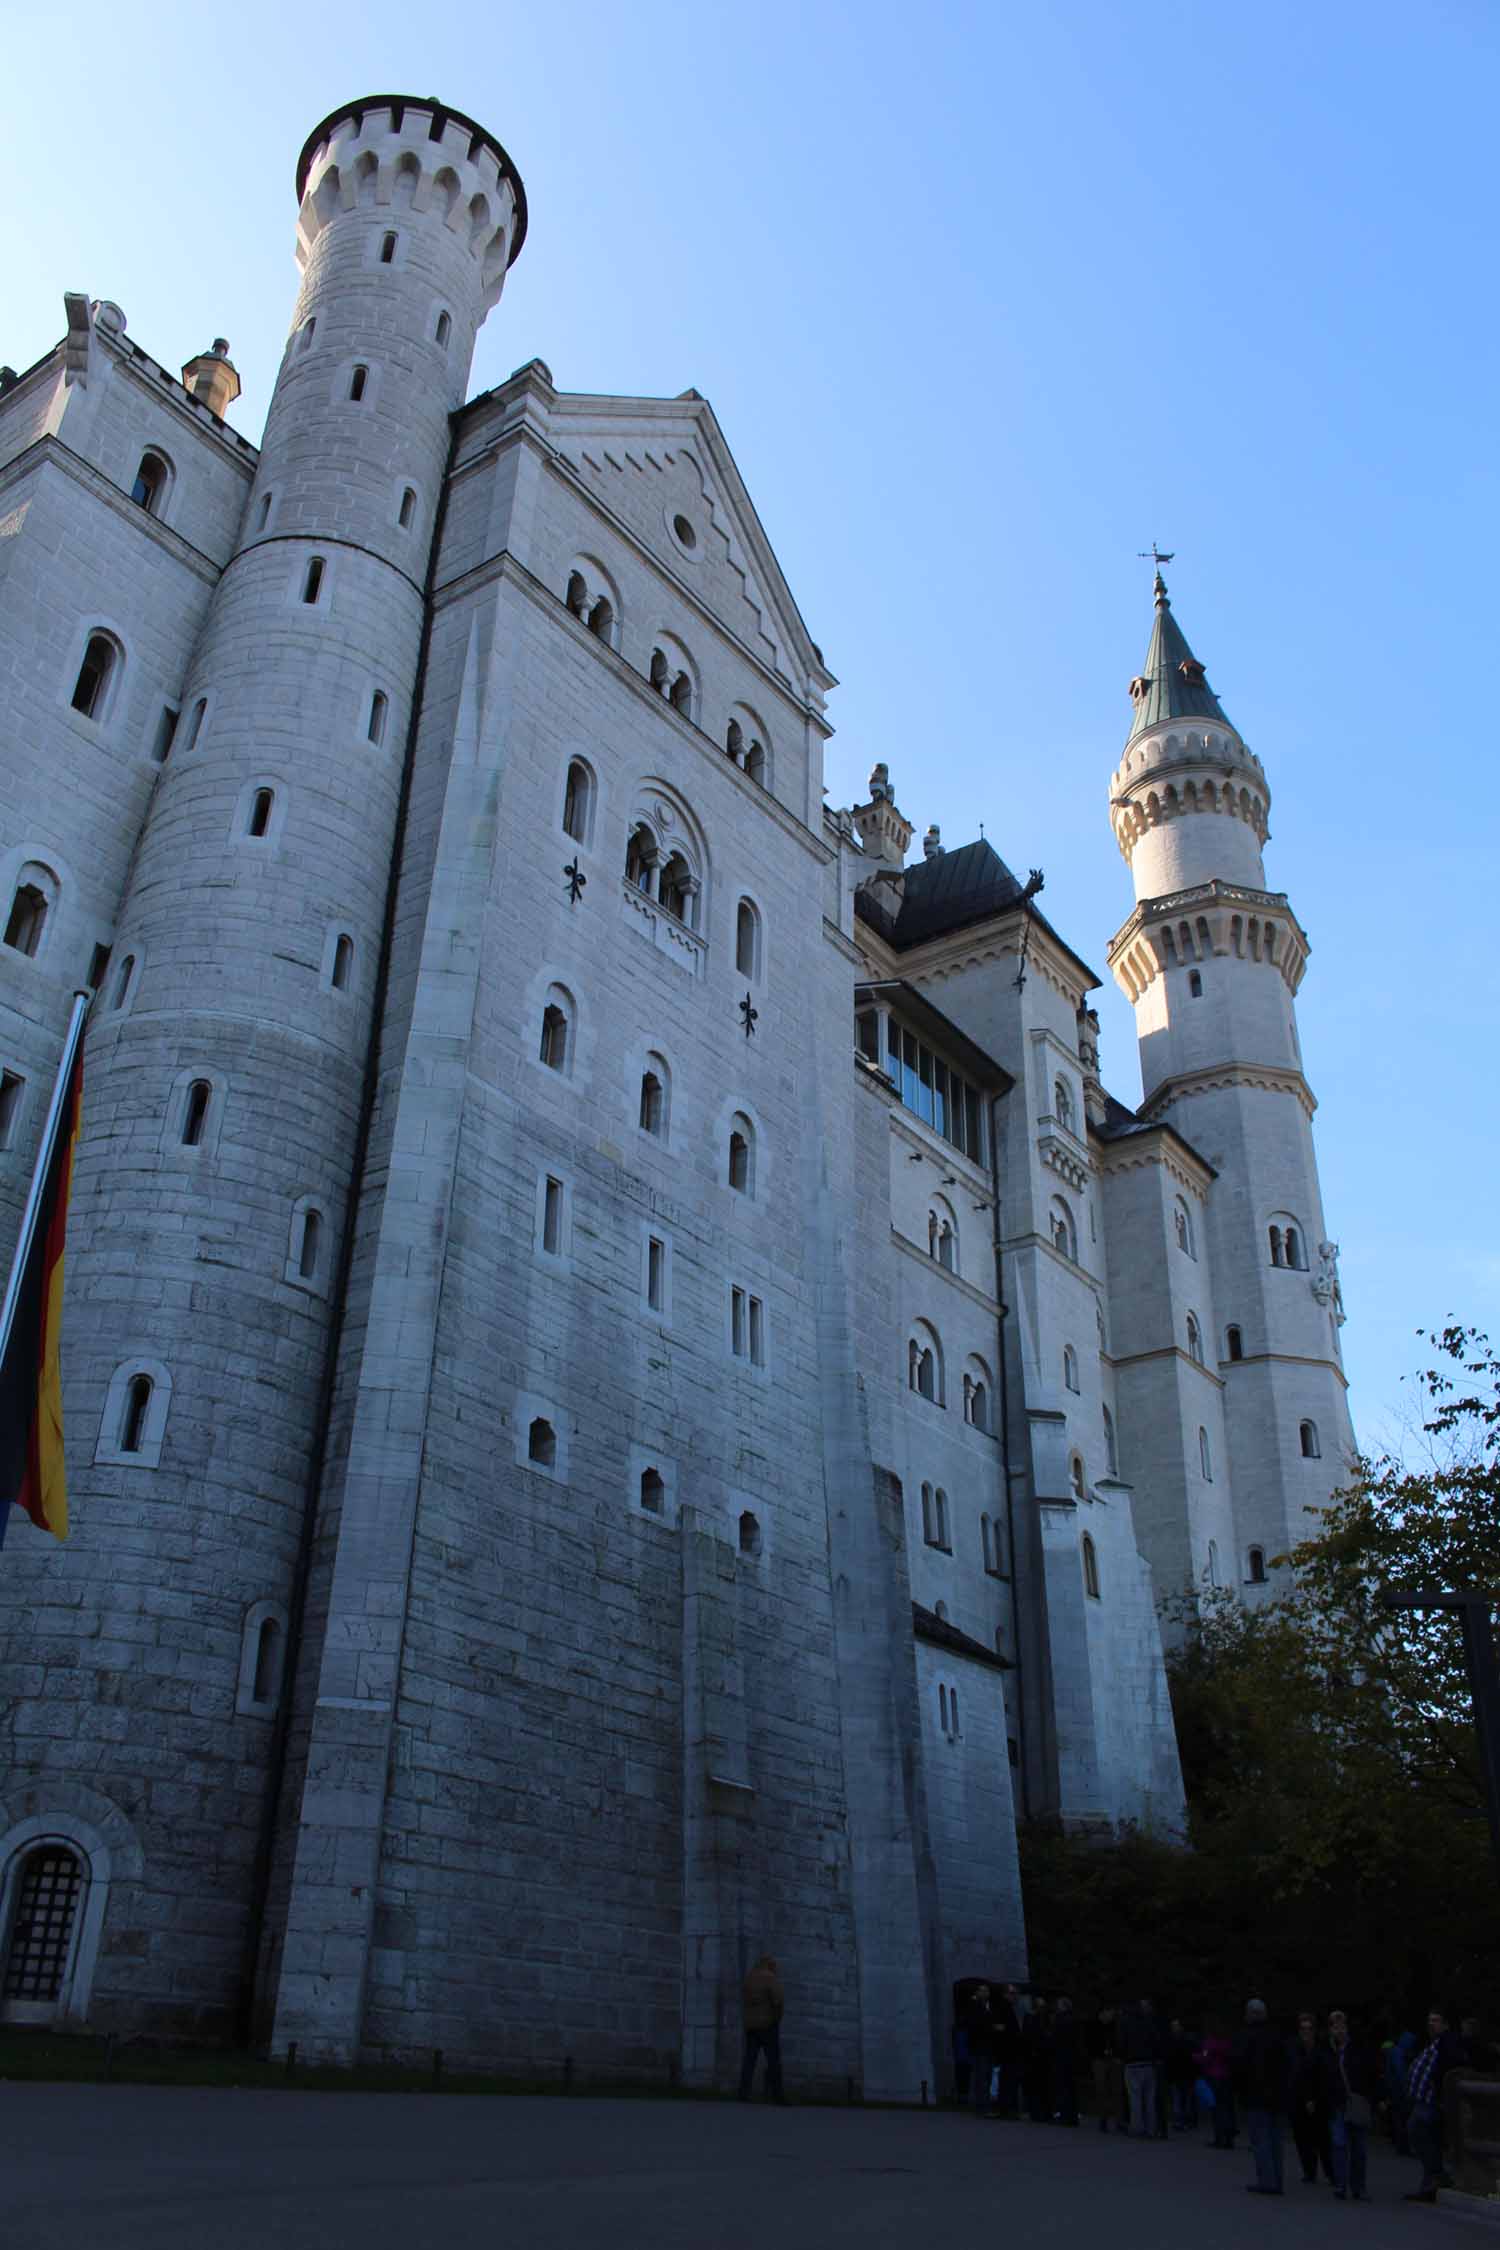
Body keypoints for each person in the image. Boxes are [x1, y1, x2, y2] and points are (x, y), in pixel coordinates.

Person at [1404, 2007, 1464, 2203]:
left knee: (1417, 2132)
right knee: (1428, 2140)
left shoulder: (1448, 2042)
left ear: (1445, 2024)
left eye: (1436, 2020)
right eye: (1430, 2020)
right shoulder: (1434, 2042)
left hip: (1432, 2102)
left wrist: (1441, 2095)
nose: (1431, 2023)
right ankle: (1429, 2187)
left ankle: (1438, 2176)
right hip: (1424, 2100)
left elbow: (1451, 2066)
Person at [1322, 2009, 1378, 2202]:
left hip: (1356, 2102)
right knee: (1338, 2145)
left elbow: (1370, 2072)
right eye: (1334, 2026)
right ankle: (1340, 2184)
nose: (1338, 2030)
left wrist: (1368, 2096)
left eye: (1341, 2025)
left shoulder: (1359, 2048)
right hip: (1337, 2104)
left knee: (1358, 2147)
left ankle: (1359, 2187)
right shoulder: (1327, 2051)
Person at [1234, 1997, 1289, 2195]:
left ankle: (1267, 2181)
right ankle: (1277, 2180)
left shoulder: (1245, 2036)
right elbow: (1286, 2066)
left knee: (1260, 2139)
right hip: (1277, 2096)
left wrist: (1240, 2091)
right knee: (1275, 2140)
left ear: (1249, 2014)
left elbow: (1239, 2066)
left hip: (1256, 2095)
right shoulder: (1277, 2035)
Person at [1287, 2010, 1333, 2184]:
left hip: (1318, 2099)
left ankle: (1330, 2172)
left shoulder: (1322, 2048)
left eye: (1309, 2028)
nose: (1305, 2032)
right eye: (1302, 2028)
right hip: (1298, 2099)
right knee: (1302, 2137)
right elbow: (1292, 2073)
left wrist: (1315, 2097)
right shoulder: (1293, 2047)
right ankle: (1309, 2171)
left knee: (1323, 2138)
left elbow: (1325, 2075)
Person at [739, 1954, 786, 2104]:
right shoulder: (770, 1978)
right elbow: (778, 2000)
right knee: (774, 2062)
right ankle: (777, 2096)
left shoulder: (749, 1978)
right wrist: (777, 2018)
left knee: (749, 2061)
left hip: (751, 2025)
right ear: (770, 1965)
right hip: (767, 2025)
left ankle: (743, 2094)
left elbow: (745, 2000)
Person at [1120, 1997, 1161, 2139]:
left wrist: (1124, 2057)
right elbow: (1156, 2041)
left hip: (1132, 2064)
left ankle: (1137, 2128)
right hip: (1148, 2064)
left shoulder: (1126, 2024)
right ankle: (1151, 2128)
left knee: (1135, 2098)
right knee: (1149, 2098)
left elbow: (1122, 2043)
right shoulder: (1149, 2023)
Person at [1195, 2020, 1237, 2150]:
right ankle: (1229, 2138)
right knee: (1227, 2108)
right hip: (1226, 2076)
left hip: (1214, 2077)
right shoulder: (1227, 2041)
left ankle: (1220, 2138)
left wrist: (1195, 2057)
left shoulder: (1210, 2042)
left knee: (1216, 2109)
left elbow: (1205, 2058)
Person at [1088, 2005, 1125, 2133]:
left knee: (1117, 2091)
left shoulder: (1115, 2026)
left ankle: (1119, 2121)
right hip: (1099, 2060)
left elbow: (1121, 2042)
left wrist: (1118, 2055)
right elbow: (1089, 2044)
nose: (1112, 2016)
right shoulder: (1093, 2027)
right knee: (1102, 2090)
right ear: (1103, 2013)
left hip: (1114, 2060)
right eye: (1110, 2013)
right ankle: (1103, 2120)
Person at [962, 1982, 996, 2117]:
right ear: (977, 1993)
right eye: (982, 1991)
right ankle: (982, 2107)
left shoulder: (987, 2007)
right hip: (979, 2047)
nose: (986, 1993)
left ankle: (982, 2106)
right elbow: (975, 2025)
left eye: (987, 1991)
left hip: (986, 2046)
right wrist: (990, 2027)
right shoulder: (974, 2007)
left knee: (986, 2077)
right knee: (981, 2077)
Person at [991, 1983, 1023, 2118]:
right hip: (1007, 2050)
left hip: (1009, 2049)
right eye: (1012, 1993)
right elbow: (998, 2027)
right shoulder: (1003, 2007)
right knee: (1008, 2080)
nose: (1015, 1996)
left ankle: (1008, 2109)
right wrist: (1012, 2034)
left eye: (1015, 1993)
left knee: (1009, 2080)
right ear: (1005, 1994)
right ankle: (1007, 2109)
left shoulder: (1008, 2007)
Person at [1050, 1995, 1081, 2126]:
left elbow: (1055, 2038)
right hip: (1071, 2057)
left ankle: (1065, 2115)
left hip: (1061, 2056)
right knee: (1071, 2087)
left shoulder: (1059, 2020)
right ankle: (1072, 2116)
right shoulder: (1073, 2019)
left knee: (1063, 2087)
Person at [1022, 1995, 1054, 2122]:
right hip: (1034, 2056)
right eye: (1040, 2006)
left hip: (1042, 2056)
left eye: (1043, 2006)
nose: (1042, 2008)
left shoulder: (1044, 2019)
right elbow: (1028, 2037)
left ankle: (1044, 2112)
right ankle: (1036, 2112)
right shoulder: (1031, 2018)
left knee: (1043, 2085)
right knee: (1036, 2085)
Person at [1165, 2017, 1198, 2132]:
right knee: (1179, 2099)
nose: (1174, 2028)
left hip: (1185, 2073)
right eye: (1173, 2026)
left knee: (1184, 2099)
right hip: (1178, 2073)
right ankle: (1181, 2121)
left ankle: (1185, 2121)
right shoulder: (1172, 2040)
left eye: (1176, 2025)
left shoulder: (1186, 2039)